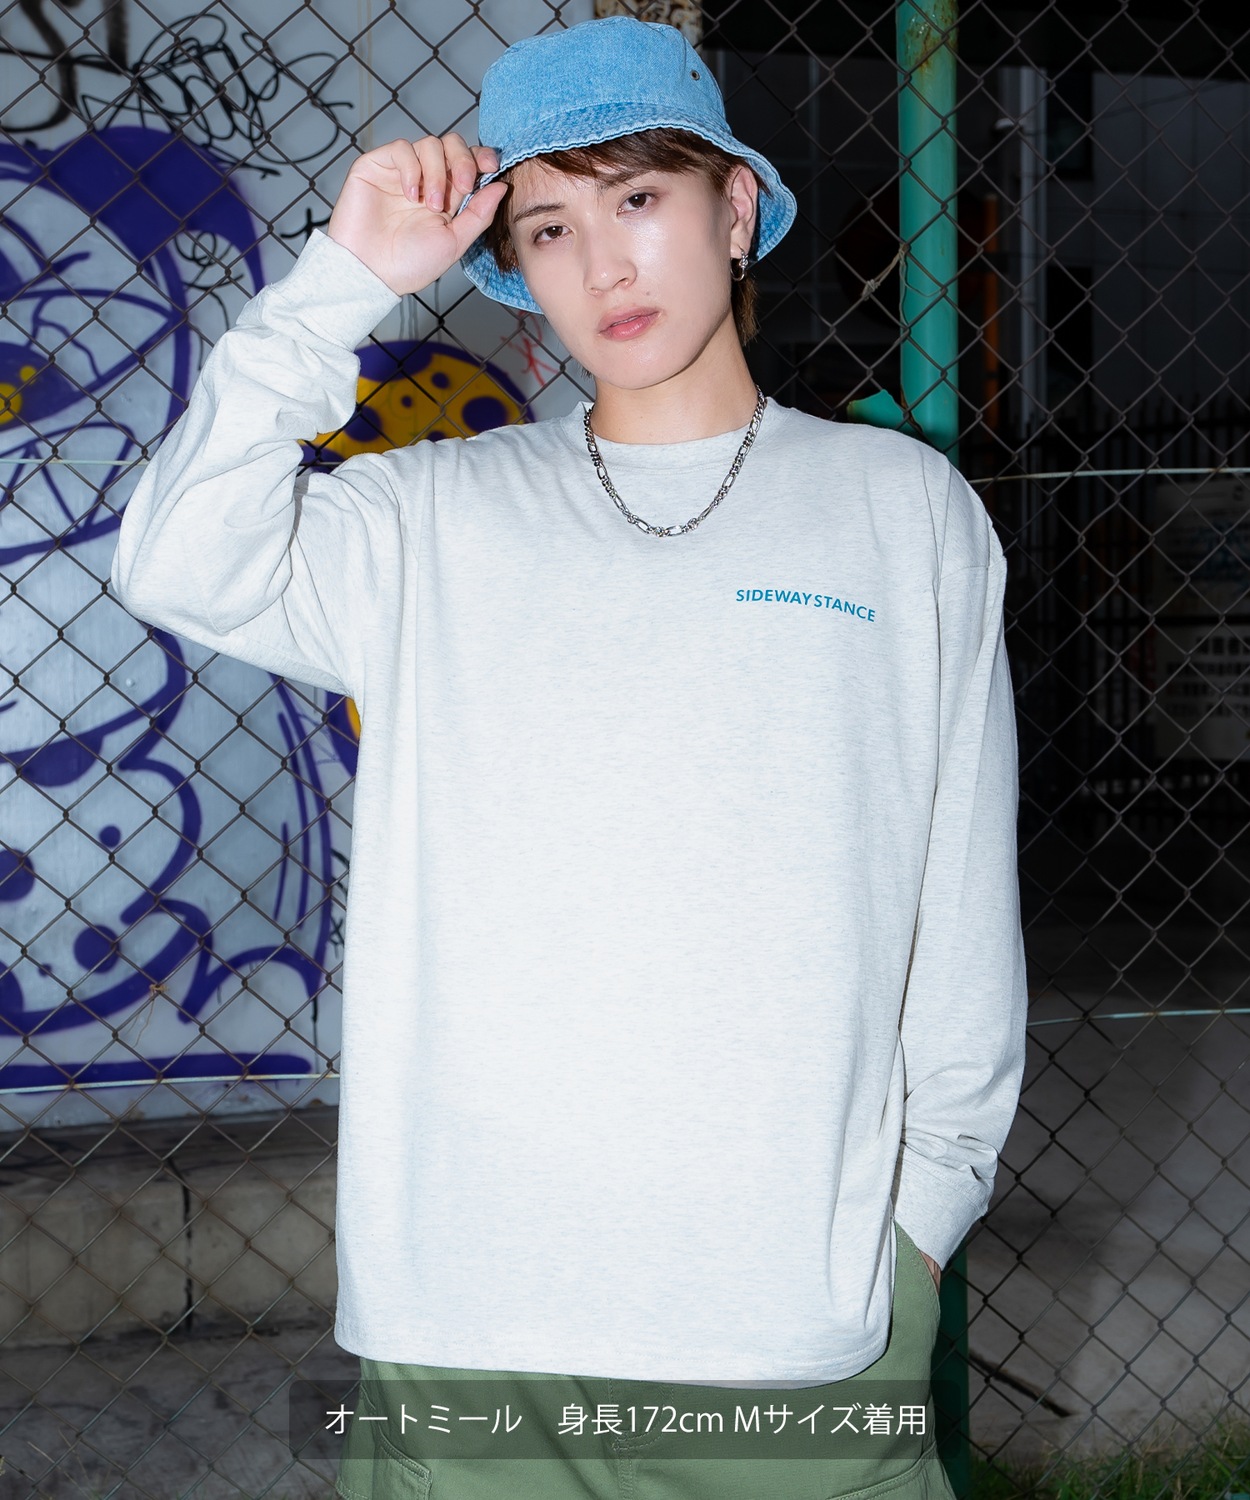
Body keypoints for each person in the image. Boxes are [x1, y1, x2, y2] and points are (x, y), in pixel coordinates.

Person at [110, 14, 1027, 1500]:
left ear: (735, 208)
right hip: (471, 1332)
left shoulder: (898, 509)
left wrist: (926, 1212)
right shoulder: (428, 518)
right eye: (549, 226)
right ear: (515, 268)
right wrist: (343, 279)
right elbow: (175, 557)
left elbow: (960, 900)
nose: (603, 264)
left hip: (793, 1325)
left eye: (639, 198)